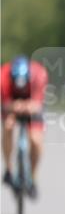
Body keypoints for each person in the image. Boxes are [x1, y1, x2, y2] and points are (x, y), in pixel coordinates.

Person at [1, 55, 48, 198]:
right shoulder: (3, 76)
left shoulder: (39, 74)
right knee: (8, 126)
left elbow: (37, 104)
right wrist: (13, 106)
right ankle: (9, 169)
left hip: (32, 102)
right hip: (11, 101)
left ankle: (32, 178)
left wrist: (29, 106)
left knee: (35, 140)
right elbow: (5, 103)